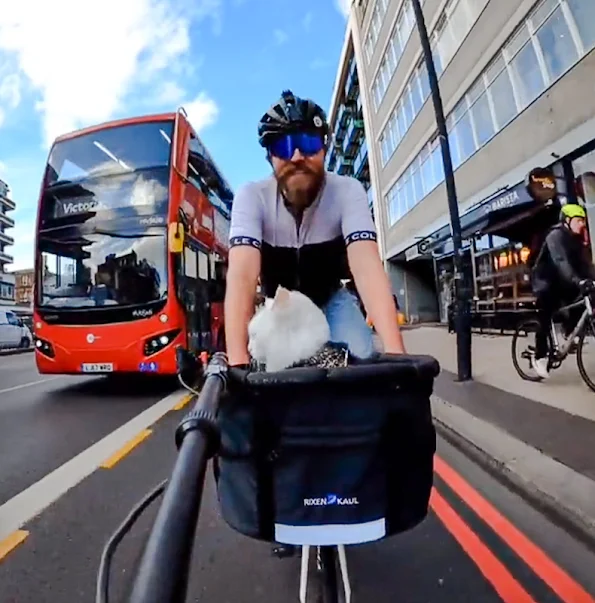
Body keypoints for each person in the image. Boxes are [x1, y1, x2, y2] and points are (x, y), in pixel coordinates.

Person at [224, 89, 406, 367]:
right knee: (273, 373)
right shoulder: (252, 196)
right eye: (283, 147)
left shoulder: (347, 191)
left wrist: (397, 355)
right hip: (281, 307)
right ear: (270, 158)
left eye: (308, 143)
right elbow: (242, 276)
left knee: (361, 358)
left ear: (324, 149)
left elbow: (367, 266)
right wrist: (236, 363)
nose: (296, 156)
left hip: (331, 299)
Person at [530, 203, 595, 379]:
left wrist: (590, 279)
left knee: (585, 297)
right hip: (545, 281)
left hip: (563, 281)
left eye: (583, 220)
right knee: (545, 313)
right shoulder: (555, 236)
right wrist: (577, 280)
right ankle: (540, 357)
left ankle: (569, 331)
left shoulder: (577, 241)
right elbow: (561, 261)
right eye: (578, 220)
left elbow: (585, 265)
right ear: (567, 220)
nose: (582, 224)